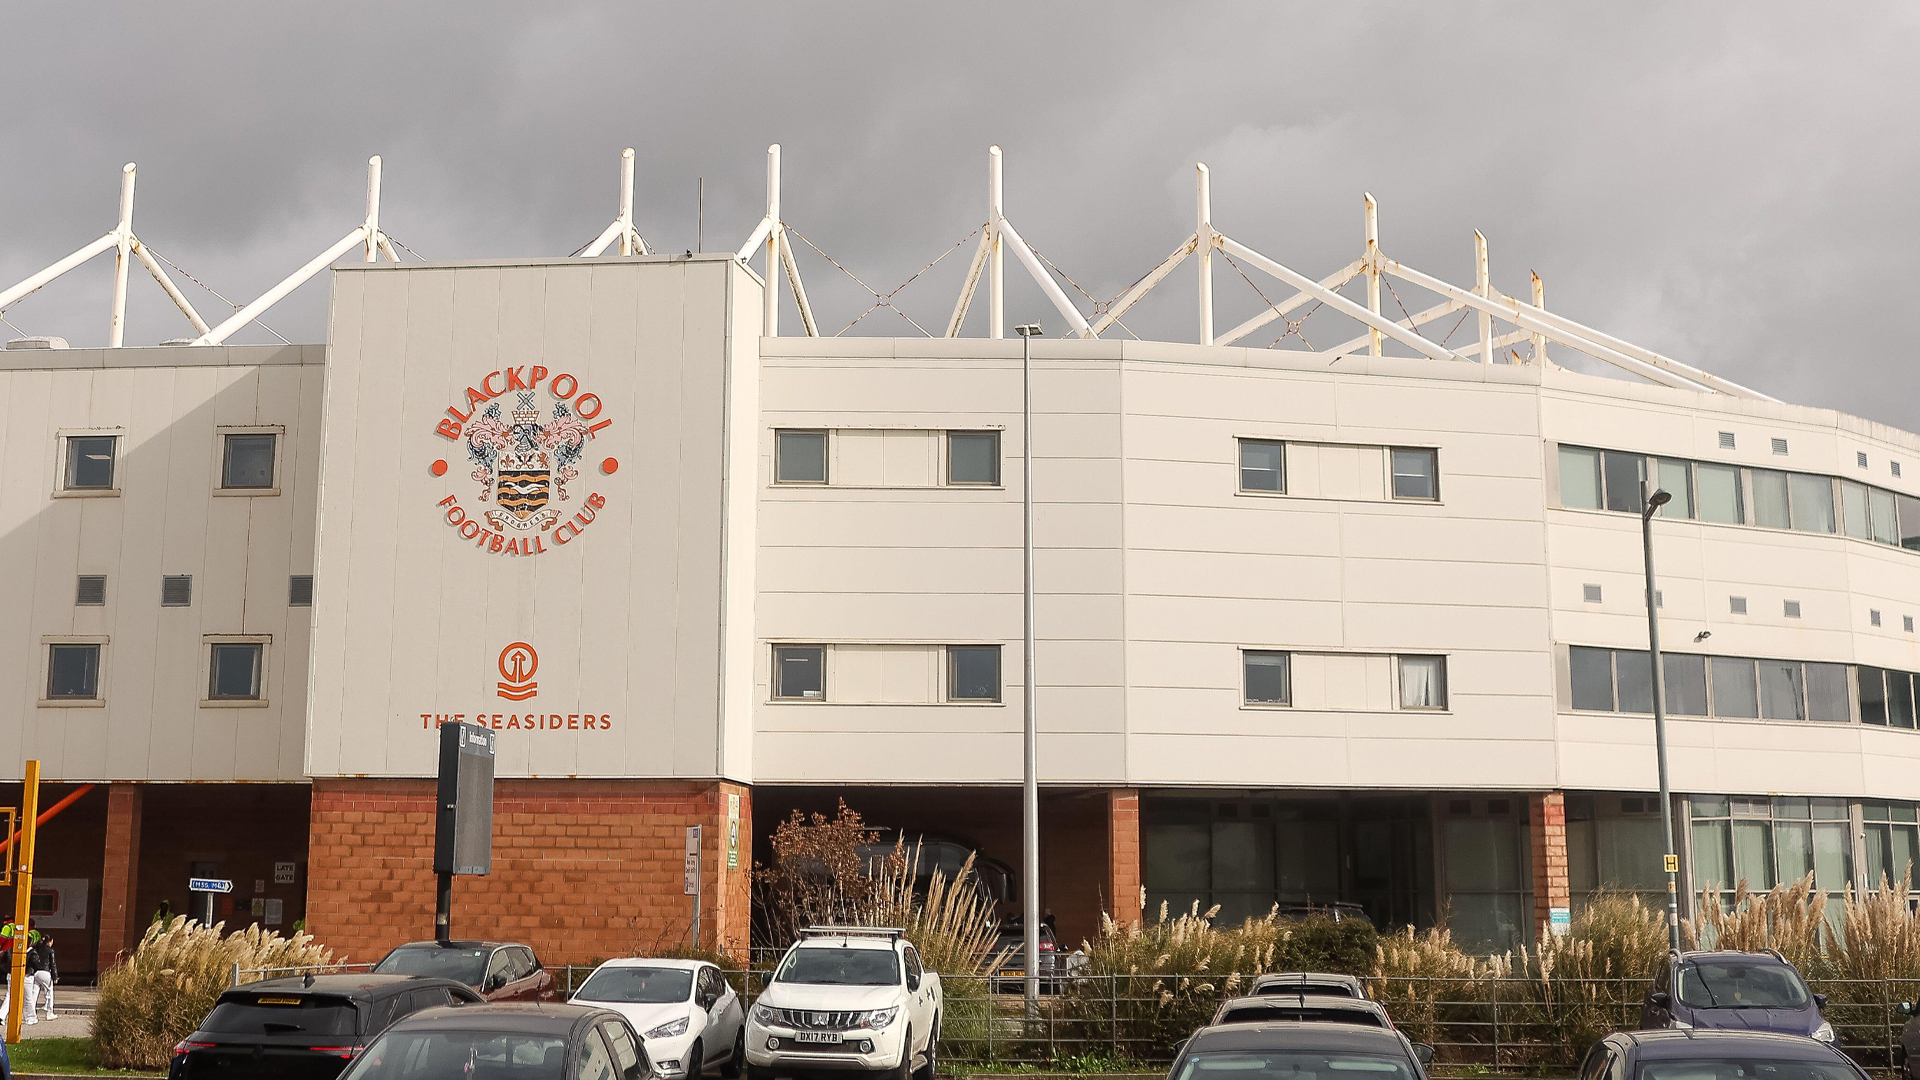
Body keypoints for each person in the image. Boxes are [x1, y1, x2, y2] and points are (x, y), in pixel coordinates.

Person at [27, 936, 53, 1021]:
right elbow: (53, 964)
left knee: (34, 992)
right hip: (45, 972)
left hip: (36, 973)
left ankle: (31, 1013)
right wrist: (55, 976)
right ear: (50, 941)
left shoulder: (36, 949)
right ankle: (49, 1012)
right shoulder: (50, 950)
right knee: (49, 991)